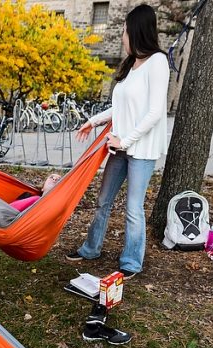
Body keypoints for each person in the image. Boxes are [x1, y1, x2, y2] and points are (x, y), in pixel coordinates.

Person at [68, 4, 170, 278]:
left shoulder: (158, 62)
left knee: (133, 208)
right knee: (104, 200)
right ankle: (91, 249)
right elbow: (121, 109)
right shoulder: (131, 66)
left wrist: (125, 140)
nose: (123, 37)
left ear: (136, 31)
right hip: (120, 145)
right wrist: (94, 120)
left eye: (125, 31)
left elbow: (154, 113)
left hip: (140, 149)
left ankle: (131, 263)